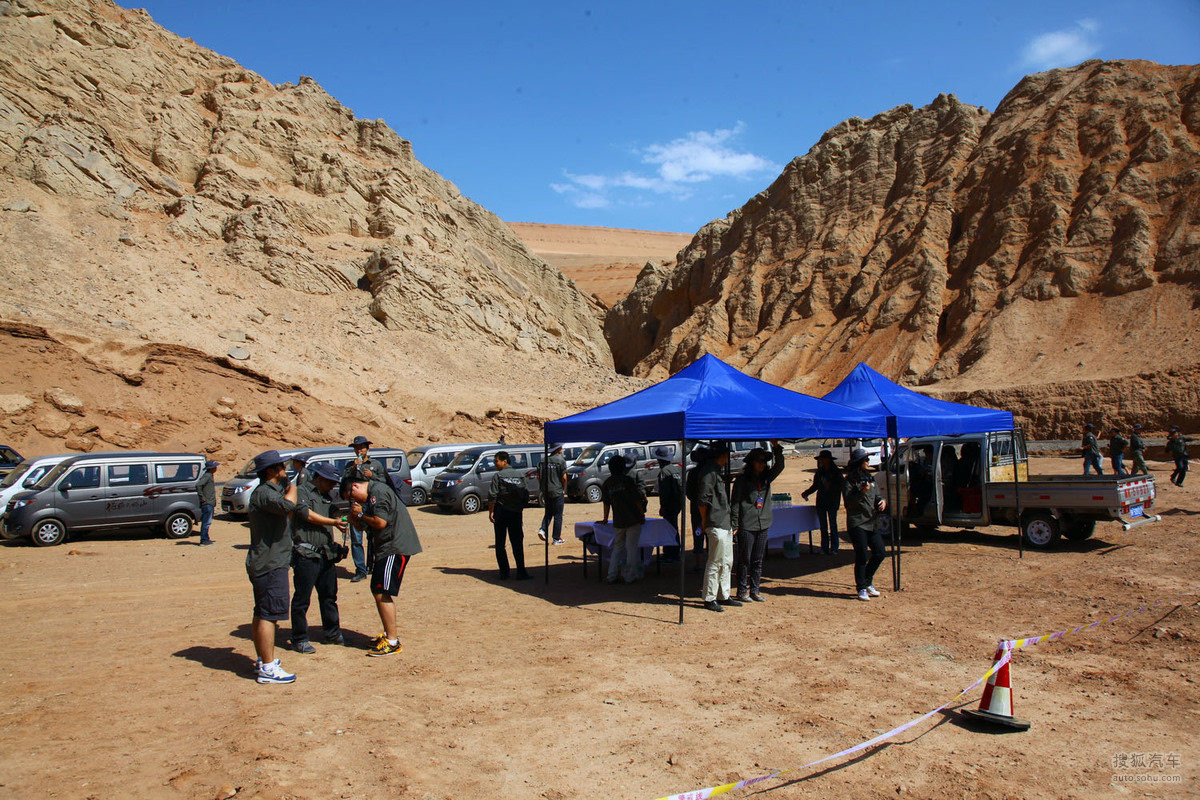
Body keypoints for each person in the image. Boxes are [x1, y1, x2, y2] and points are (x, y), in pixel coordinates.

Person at [342, 475, 422, 656]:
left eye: (352, 498)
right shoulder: (372, 495)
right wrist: (355, 520)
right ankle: (388, 634)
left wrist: (360, 514)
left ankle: (392, 642)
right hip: (387, 547)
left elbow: (380, 522)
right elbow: (367, 525)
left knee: (382, 591)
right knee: (377, 589)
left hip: (394, 546)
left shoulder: (377, 491)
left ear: (355, 487)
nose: (354, 502)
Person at [245, 450, 300, 684]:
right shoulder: (265, 493)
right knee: (269, 615)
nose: (284, 469)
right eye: (281, 466)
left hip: (268, 561)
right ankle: (267, 668)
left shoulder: (268, 491)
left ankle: (264, 659)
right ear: (271, 471)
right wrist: (294, 486)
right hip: (270, 563)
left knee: (262, 613)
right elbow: (288, 506)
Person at [290, 461, 350, 654]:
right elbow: (306, 514)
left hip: (326, 554)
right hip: (306, 554)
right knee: (302, 599)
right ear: (320, 478)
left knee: (329, 596)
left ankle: (332, 632)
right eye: (330, 482)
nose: (332, 486)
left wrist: (345, 518)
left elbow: (336, 514)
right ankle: (299, 638)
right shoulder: (302, 492)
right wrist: (333, 522)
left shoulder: (327, 496)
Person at [732, 441, 785, 602]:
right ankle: (742, 591)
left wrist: (776, 447)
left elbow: (780, 466)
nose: (762, 464)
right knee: (744, 559)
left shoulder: (766, 478)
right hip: (747, 524)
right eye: (759, 461)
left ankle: (755, 590)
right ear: (751, 463)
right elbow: (735, 503)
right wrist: (735, 524)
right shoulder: (742, 480)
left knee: (758, 559)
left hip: (764, 523)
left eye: (764, 461)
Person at [697, 442, 738, 612]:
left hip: (724, 522)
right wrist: (705, 521)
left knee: (727, 561)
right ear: (722, 456)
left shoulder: (715, 471)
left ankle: (723, 594)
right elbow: (702, 500)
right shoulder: (709, 472)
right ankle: (709, 597)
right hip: (716, 522)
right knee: (715, 562)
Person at [843, 448, 887, 602]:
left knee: (880, 552)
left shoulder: (870, 478)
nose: (868, 462)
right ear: (859, 462)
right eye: (865, 460)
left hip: (872, 522)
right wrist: (861, 492)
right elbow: (848, 502)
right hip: (858, 522)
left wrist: (882, 501)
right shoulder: (849, 481)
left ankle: (867, 581)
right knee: (861, 555)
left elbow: (876, 495)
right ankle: (861, 587)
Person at [343, 435, 387, 582]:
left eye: (361, 448)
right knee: (356, 539)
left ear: (367, 449)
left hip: (371, 505)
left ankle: (373, 566)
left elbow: (384, 482)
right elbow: (344, 482)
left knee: (374, 537)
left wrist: (372, 475)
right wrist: (353, 468)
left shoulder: (376, 464)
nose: (359, 450)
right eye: (356, 448)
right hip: (356, 505)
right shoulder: (349, 465)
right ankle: (360, 570)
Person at [599, 454, 648, 584]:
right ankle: (629, 576)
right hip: (633, 519)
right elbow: (637, 500)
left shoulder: (607, 483)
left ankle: (611, 575)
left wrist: (605, 519)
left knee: (617, 548)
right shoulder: (628, 481)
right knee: (631, 548)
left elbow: (606, 503)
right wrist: (641, 515)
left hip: (618, 521)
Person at [488, 450, 531, 580]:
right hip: (516, 513)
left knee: (500, 543)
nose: (495, 463)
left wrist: (491, 512)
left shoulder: (498, 476)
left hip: (501, 512)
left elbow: (492, 495)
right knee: (517, 542)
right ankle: (521, 571)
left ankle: (504, 572)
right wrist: (520, 507)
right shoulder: (520, 475)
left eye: (496, 461)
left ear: (504, 461)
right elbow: (526, 494)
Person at [801, 449, 844, 554]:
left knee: (833, 525)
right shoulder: (819, 473)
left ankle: (834, 548)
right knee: (823, 526)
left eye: (822, 459)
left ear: (828, 459)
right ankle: (824, 547)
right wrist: (806, 493)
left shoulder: (836, 472)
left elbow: (842, 486)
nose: (821, 461)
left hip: (832, 502)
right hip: (821, 502)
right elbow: (815, 486)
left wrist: (832, 486)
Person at [655, 446, 683, 563]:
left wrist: (663, 506)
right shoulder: (675, 470)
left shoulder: (664, 472)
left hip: (669, 505)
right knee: (674, 528)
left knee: (669, 530)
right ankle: (674, 552)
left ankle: (670, 554)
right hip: (676, 504)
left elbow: (664, 492)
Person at [685, 444, 710, 573]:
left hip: (695, 508)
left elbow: (688, 493)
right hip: (710, 509)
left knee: (698, 534)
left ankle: (699, 563)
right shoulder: (710, 473)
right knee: (711, 535)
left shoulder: (693, 473)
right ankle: (710, 561)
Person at [537, 443, 568, 546]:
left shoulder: (543, 461)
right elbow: (564, 478)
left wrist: (543, 487)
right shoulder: (560, 461)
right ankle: (556, 538)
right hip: (557, 491)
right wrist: (563, 489)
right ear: (558, 449)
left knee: (548, 513)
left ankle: (542, 529)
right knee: (558, 515)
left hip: (546, 491)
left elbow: (538, 477)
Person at [196, 459, 218, 546]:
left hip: (210, 502)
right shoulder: (207, 476)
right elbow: (198, 485)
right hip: (208, 503)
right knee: (206, 522)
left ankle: (206, 538)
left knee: (207, 522)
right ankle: (204, 540)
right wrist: (203, 498)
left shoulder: (209, 475)